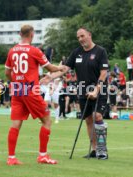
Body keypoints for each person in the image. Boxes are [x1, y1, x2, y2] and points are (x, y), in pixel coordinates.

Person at [41, 27, 109, 160]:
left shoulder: (100, 51)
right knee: (88, 120)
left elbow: (104, 73)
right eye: (78, 37)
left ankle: (102, 150)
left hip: (99, 89)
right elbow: (65, 68)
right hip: (82, 91)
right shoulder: (76, 52)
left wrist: (96, 90)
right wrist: (51, 77)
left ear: (89, 35)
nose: (80, 39)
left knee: (98, 116)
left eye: (82, 36)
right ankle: (94, 150)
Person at [4, 24, 65, 165]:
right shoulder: (34, 50)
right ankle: (42, 155)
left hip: (18, 90)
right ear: (32, 34)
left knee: (16, 124)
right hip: (31, 90)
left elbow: (7, 73)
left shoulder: (12, 51)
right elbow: (50, 67)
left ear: (20, 34)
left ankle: (11, 158)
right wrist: (60, 67)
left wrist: (17, 82)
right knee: (47, 120)